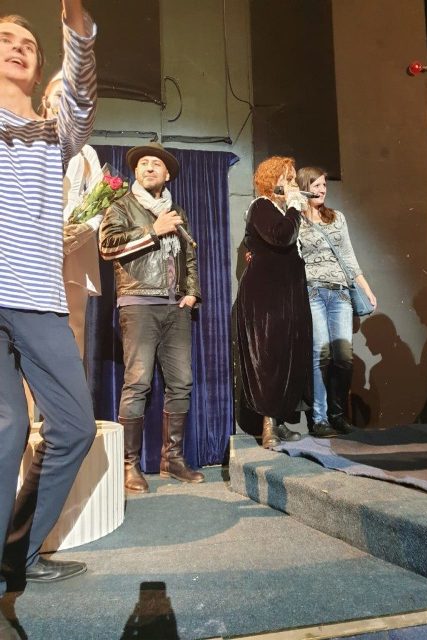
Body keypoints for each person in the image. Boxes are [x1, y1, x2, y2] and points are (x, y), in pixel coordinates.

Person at [0, 0, 97, 631]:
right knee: (6, 429)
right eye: (5, 38)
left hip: (35, 296)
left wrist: (75, 16)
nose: (17, 46)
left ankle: (19, 554)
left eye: (28, 43)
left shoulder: (51, 131)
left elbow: (81, 92)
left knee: (75, 426)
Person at [99, 142, 204, 493]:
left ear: (167, 174)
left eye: (155, 164)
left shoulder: (177, 211)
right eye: (143, 163)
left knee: (182, 383)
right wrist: (152, 231)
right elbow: (107, 246)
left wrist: (192, 292)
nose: (148, 168)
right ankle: (129, 465)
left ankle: (172, 459)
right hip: (139, 303)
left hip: (176, 306)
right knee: (137, 383)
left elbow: (189, 255)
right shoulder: (122, 206)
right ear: (135, 172)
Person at [236, 156, 312, 449]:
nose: (293, 183)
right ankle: (268, 426)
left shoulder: (284, 210)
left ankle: (279, 422)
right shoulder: (261, 206)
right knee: (269, 356)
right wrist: (294, 206)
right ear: (272, 180)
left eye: (293, 179)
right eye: (287, 178)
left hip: (288, 293)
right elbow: (281, 237)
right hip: (266, 296)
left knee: (287, 354)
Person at [296, 166, 377, 436]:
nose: (321, 190)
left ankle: (338, 415)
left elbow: (349, 256)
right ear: (304, 187)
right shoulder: (296, 220)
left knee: (343, 357)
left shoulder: (336, 217)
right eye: (316, 185)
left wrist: (366, 288)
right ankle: (319, 419)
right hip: (313, 292)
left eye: (324, 185)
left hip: (341, 293)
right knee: (321, 355)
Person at [41, 70, 103, 359]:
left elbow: (100, 199)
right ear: (45, 99)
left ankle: (71, 389)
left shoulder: (86, 152)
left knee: (74, 324)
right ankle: (28, 392)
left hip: (76, 242)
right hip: (35, 242)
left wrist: (86, 228)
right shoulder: (27, 145)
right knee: (31, 326)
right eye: (59, 95)